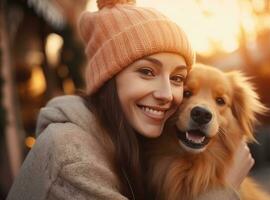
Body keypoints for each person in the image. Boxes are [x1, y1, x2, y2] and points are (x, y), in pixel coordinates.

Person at [6, 0, 254, 199]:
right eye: (147, 72)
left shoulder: (127, 142)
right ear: (108, 79)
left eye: (178, 78)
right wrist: (224, 190)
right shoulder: (72, 157)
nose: (167, 94)